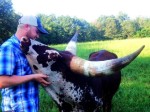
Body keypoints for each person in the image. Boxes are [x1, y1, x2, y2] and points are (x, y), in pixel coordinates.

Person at [0, 15, 50, 112]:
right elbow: (2, 81)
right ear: (27, 26)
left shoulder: (27, 48)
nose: (38, 36)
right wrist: (33, 77)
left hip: (29, 107)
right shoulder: (9, 48)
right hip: (16, 108)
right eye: (37, 31)